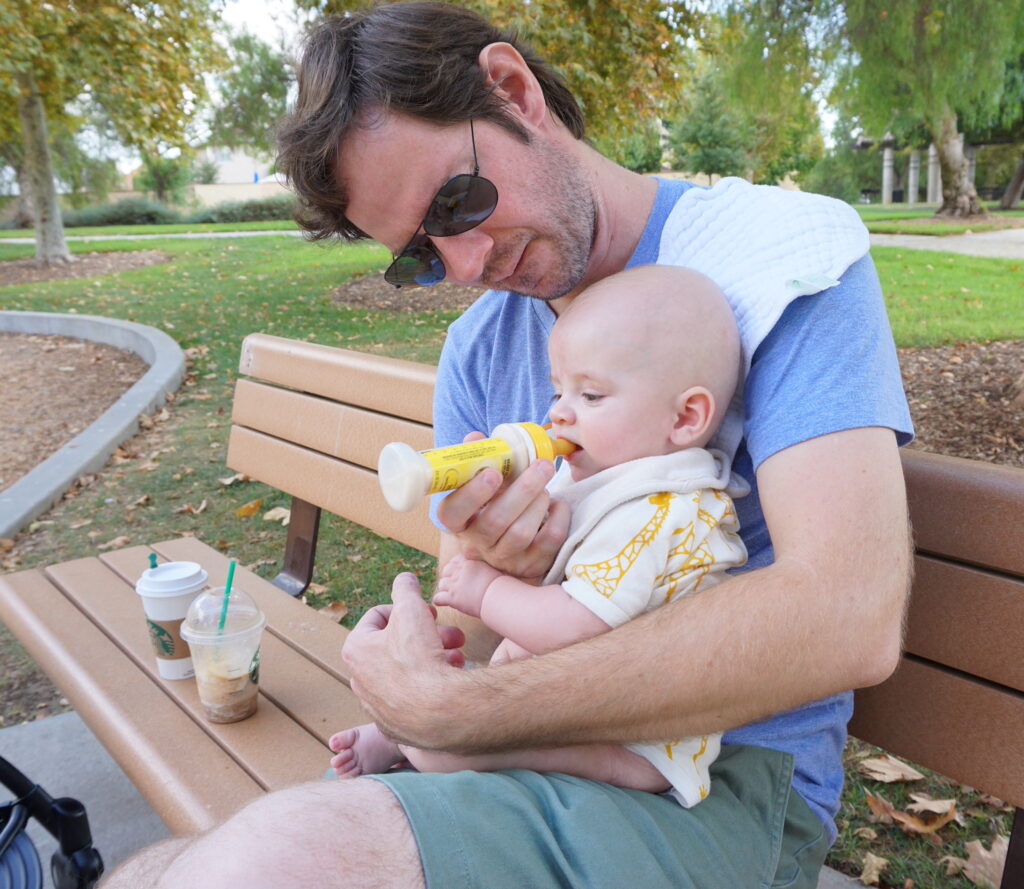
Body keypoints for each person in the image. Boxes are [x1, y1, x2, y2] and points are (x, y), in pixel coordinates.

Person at [102, 3, 914, 887]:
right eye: (419, 252)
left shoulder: (777, 256)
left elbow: (849, 615)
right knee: (158, 870)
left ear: (514, 91)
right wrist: (465, 616)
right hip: (533, 752)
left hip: (715, 785)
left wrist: (450, 710)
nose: (464, 262)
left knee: (266, 860)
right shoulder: (480, 349)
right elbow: (472, 630)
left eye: (456, 200)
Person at [329, 265, 748, 808]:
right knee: (498, 681)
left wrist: (485, 591)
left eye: (591, 395)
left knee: (622, 764)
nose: (557, 413)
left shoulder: (658, 510)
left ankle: (460, 744)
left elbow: (574, 627)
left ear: (686, 417)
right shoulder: (612, 478)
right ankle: (404, 735)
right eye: (558, 391)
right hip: (568, 689)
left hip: (642, 733)